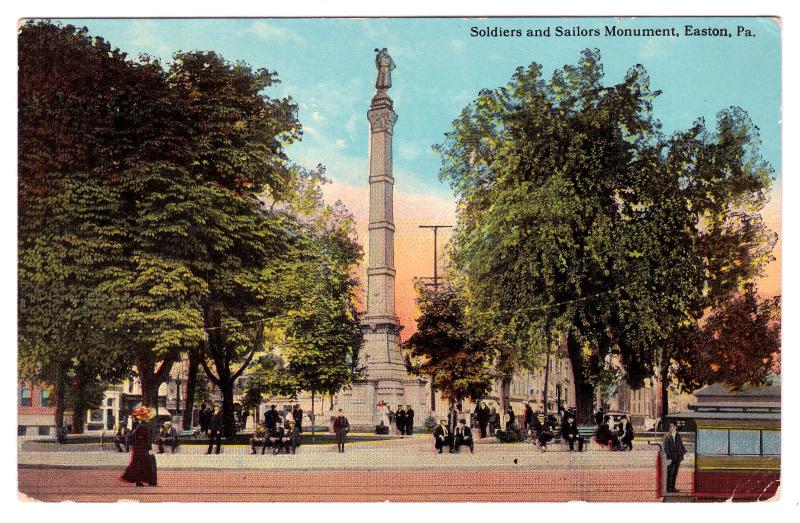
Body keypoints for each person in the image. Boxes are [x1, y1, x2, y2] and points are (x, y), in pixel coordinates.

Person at [120, 406, 157, 487]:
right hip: (143, 449)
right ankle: (147, 480)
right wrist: (149, 447)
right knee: (145, 464)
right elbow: (147, 439)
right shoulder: (145, 427)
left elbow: (133, 439)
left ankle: (139, 480)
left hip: (137, 448)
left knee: (138, 464)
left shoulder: (137, 427)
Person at [662, 422, 686, 493]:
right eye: (671, 427)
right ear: (669, 428)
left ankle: (673, 488)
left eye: (674, 426)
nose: (672, 428)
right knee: (670, 474)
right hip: (671, 459)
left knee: (675, 473)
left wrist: (683, 451)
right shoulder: (666, 436)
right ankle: (668, 489)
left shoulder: (677, 435)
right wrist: (668, 458)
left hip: (678, 457)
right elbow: (666, 448)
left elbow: (680, 444)